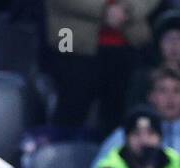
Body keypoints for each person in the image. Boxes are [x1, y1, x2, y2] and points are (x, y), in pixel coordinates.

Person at [45, 0, 158, 130]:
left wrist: (128, 8)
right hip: (71, 45)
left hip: (129, 45)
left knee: (120, 117)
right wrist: (105, 9)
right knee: (70, 114)